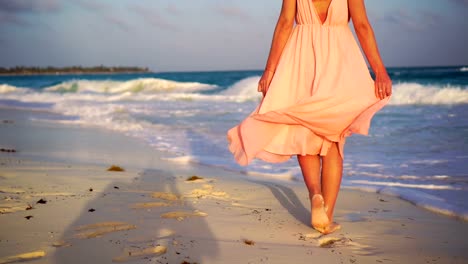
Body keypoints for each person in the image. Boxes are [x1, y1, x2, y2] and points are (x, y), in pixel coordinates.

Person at [227, 0, 392, 234]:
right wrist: (380, 71)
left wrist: (270, 70)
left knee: (303, 131)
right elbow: (362, 26)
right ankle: (327, 215)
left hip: (300, 59)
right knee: (334, 138)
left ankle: (315, 193)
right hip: (339, 61)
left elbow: (285, 24)